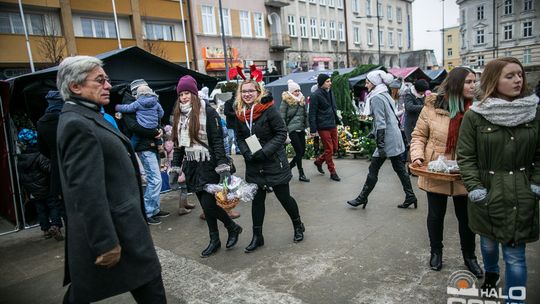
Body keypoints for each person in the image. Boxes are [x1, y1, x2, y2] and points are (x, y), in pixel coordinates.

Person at [55, 56, 165, 303]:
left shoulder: (88, 115)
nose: (108, 86)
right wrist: (105, 243)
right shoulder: (77, 124)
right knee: (148, 286)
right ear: (76, 86)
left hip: (125, 226)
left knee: (145, 285)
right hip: (119, 230)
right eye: (100, 80)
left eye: (107, 80)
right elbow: (85, 191)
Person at [457, 57, 539, 298]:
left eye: (520, 75)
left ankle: (515, 301)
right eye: (510, 76)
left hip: (521, 194)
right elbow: (466, 156)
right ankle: (492, 273)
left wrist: (535, 184)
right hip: (487, 191)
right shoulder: (475, 116)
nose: (518, 80)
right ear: (494, 80)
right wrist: (475, 188)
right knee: (489, 244)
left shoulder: (534, 112)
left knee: (515, 257)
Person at [409, 67, 482, 277]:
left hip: (465, 170)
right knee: (435, 215)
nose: (473, 86)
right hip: (436, 168)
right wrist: (417, 156)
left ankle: (470, 257)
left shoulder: (476, 109)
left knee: (466, 218)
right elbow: (419, 136)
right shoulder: (432, 106)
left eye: (474, 81)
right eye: (468, 82)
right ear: (457, 83)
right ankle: (436, 252)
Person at [170, 75, 242, 258]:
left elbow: (217, 141)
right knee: (205, 205)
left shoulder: (208, 112)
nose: (184, 97)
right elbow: (179, 145)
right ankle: (215, 239)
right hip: (192, 166)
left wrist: (223, 166)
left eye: (187, 93)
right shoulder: (179, 115)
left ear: (194, 94)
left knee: (209, 205)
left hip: (209, 163)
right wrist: (175, 167)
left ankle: (230, 228)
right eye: (181, 94)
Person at [235, 79, 305, 253]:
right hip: (254, 163)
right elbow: (239, 137)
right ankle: (257, 237)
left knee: (284, 197)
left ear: (258, 92)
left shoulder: (269, 109)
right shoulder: (240, 112)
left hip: (274, 161)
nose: (247, 94)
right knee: (257, 201)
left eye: (251, 90)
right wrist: (246, 152)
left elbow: (281, 133)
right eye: (244, 91)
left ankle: (298, 225)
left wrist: (264, 152)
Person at [347, 70, 417, 209]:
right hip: (394, 137)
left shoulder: (376, 98)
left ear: (374, 83)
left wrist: (380, 144)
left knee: (373, 169)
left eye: (367, 82)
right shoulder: (384, 94)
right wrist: (373, 133)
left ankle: (363, 198)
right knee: (399, 169)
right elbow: (388, 117)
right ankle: (410, 196)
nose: (366, 85)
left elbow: (381, 122)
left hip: (387, 140)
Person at [119, 79, 168, 225]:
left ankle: (155, 209)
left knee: (155, 178)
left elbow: (156, 117)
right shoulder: (130, 104)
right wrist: (155, 132)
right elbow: (134, 126)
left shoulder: (143, 101)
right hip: (143, 146)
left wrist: (159, 130)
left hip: (151, 144)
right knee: (155, 179)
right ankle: (147, 212)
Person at [17, 128, 64, 240]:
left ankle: (45, 230)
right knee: (53, 207)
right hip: (47, 187)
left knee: (41, 210)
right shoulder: (39, 156)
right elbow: (49, 169)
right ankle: (55, 225)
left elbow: (22, 177)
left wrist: (28, 190)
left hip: (34, 191)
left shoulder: (21, 159)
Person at [36, 91, 66, 239]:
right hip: (74, 162)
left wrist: (54, 156)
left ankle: (69, 228)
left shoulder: (42, 122)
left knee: (63, 201)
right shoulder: (67, 117)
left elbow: (42, 148)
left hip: (56, 166)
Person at [309, 74, 341, 182]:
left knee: (335, 148)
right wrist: (313, 129)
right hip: (322, 126)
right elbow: (312, 113)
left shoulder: (330, 91)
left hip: (332, 124)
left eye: (330, 81)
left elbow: (333, 107)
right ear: (322, 83)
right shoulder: (315, 95)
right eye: (327, 81)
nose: (330, 83)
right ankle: (333, 172)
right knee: (329, 149)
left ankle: (319, 161)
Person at [115, 84, 164, 152]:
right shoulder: (156, 102)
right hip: (153, 125)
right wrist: (156, 116)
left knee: (135, 137)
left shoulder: (137, 103)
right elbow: (161, 113)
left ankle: (130, 151)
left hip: (142, 125)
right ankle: (160, 146)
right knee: (157, 136)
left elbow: (128, 108)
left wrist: (118, 107)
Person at [281, 79, 310, 182]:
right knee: (299, 151)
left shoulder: (302, 100)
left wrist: (307, 127)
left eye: (298, 90)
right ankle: (301, 174)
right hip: (291, 129)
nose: (297, 92)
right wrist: (285, 131)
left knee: (302, 152)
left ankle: (289, 168)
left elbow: (304, 115)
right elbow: (282, 117)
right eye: (295, 91)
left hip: (301, 129)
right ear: (291, 91)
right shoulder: (286, 101)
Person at [403, 79, 429, 144]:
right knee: (413, 144)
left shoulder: (423, 95)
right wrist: (424, 107)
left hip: (420, 123)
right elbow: (409, 107)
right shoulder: (409, 94)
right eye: (423, 91)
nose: (423, 93)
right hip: (411, 125)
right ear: (418, 90)